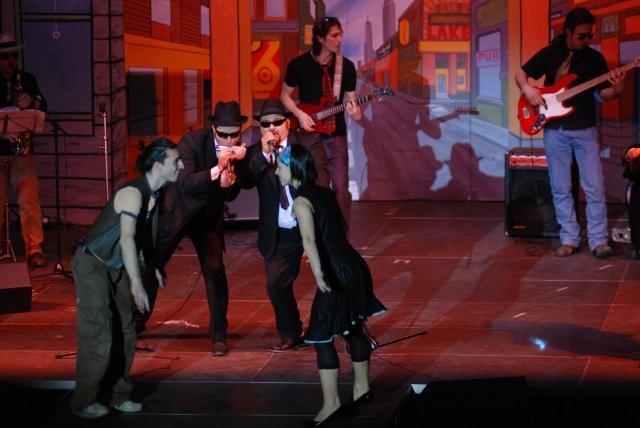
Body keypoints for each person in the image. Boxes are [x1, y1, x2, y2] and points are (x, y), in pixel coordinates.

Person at [71, 138, 183, 419]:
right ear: (158, 166)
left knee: (127, 329)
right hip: (93, 264)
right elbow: (127, 237)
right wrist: (137, 284)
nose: (181, 166)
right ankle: (84, 401)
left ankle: (119, 394)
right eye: (175, 161)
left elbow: (143, 236)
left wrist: (152, 265)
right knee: (99, 331)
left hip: (117, 266)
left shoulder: (155, 195)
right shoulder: (133, 193)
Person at [275, 144, 386, 425]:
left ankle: (331, 405)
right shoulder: (324, 192)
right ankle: (362, 390)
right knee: (351, 327)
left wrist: (319, 275)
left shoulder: (301, 202)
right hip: (354, 267)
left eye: (280, 167)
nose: (276, 172)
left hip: (336, 272)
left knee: (321, 336)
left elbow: (309, 240)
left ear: (293, 168)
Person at [138, 101, 247, 357]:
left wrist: (231, 176)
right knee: (153, 265)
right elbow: (186, 184)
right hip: (177, 211)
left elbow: (231, 195)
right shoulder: (191, 142)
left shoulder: (238, 150)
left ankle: (219, 334)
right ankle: (135, 320)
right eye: (223, 134)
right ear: (213, 129)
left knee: (215, 269)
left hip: (206, 217)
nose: (229, 140)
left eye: (234, 134)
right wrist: (218, 168)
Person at [515, 7, 625, 258]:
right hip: (555, 130)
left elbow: (603, 93)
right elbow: (520, 74)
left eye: (590, 36)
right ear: (567, 32)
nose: (587, 40)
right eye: (582, 36)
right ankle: (569, 238)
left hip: (584, 129)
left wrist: (618, 89)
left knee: (594, 187)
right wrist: (528, 90)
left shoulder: (594, 60)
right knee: (560, 187)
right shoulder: (550, 53)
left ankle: (598, 240)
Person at [238, 99, 329, 352]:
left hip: (311, 224)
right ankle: (291, 333)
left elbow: (322, 179)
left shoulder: (308, 142)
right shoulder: (256, 152)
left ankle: (336, 327)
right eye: (266, 124)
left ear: (287, 123)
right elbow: (245, 181)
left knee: (329, 278)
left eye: (277, 122)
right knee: (276, 284)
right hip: (280, 230)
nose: (272, 128)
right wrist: (265, 155)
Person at [281, 16, 360, 228]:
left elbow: (354, 106)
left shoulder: (346, 67)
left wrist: (355, 113)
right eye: (334, 35)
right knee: (318, 186)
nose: (340, 39)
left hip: (336, 135)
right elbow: (284, 96)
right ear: (320, 38)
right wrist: (299, 114)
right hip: (310, 136)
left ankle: (340, 236)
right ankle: (317, 233)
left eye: (341, 34)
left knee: (341, 188)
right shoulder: (299, 65)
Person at [0, 33, 47, 267]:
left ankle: (34, 249)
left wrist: (33, 101)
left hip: (22, 151)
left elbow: (43, 106)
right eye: (5, 57)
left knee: (29, 201)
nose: (11, 61)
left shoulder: (27, 79)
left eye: (14, 56)